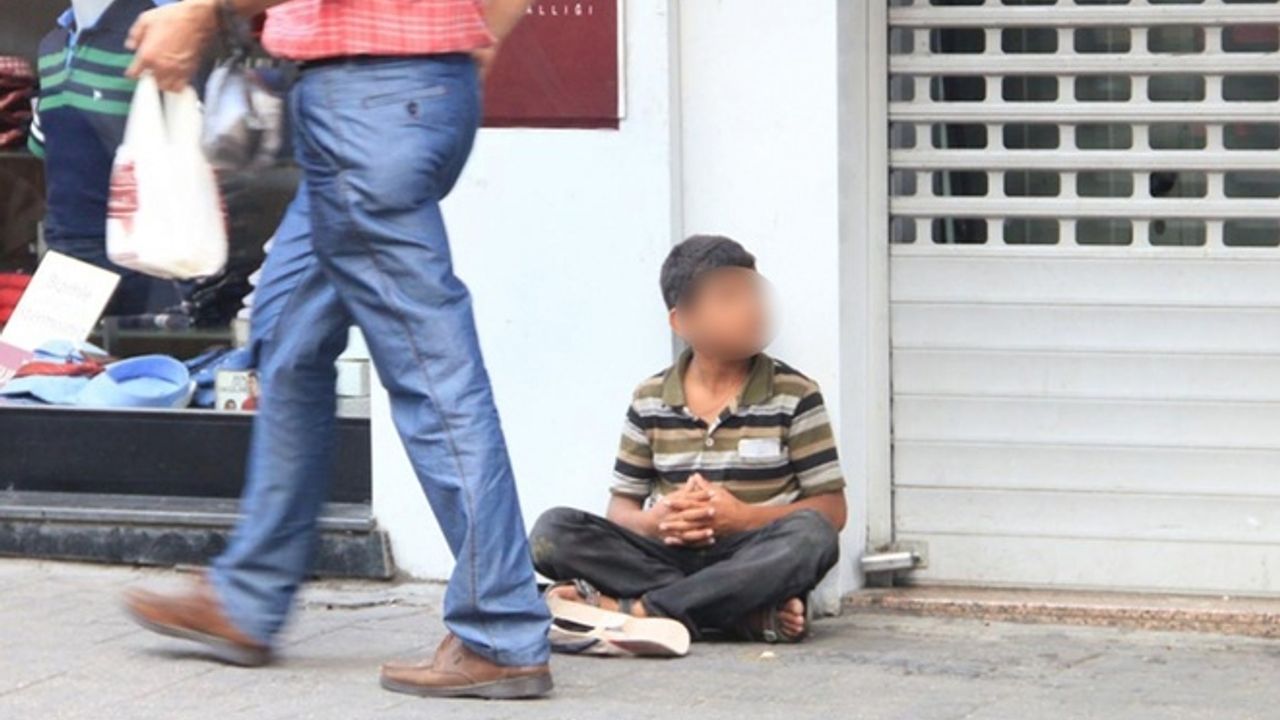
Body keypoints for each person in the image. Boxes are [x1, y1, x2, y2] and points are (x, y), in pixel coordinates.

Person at [119, 0, 554, 700]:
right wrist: (473, 42)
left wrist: (202, 12)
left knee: (431, 369)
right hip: (405, 97)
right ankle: (248, 597)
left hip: (367, 108)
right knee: (289, 333)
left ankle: (499, 628)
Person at [530, 235, 847, 644]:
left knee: (813, 536)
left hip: (750, 557)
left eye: (753, 294)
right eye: (729, 298)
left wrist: (741, 518)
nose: (751, 308)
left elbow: (833, 511)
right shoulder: (649, 398)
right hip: (667, 557)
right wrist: (655, 523)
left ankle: (638, 611)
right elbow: (621, 510)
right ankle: (738, 615)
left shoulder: (796, 394)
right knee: (553, 531)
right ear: (682, 322)